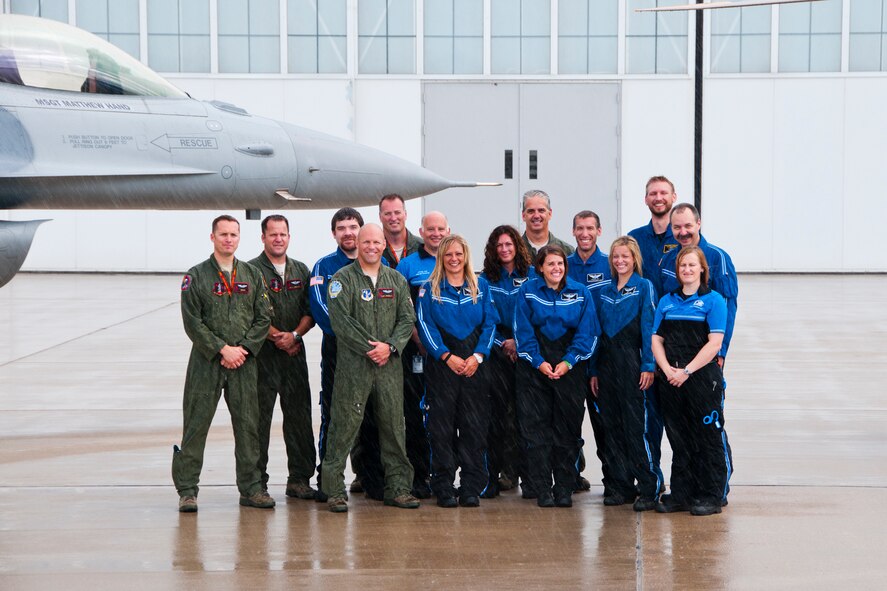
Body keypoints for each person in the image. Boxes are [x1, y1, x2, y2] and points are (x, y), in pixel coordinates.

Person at [172, 215, 275, 513]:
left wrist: (242, 349)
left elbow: (263, 317)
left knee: (248, 427)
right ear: (212, 237)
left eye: (233, 234)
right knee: (196, 425)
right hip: (206, 363)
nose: (228, 239)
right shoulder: (196, 276)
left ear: (240, 238)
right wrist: (221, 349)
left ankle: (252, 488)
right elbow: (192, 321)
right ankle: (187, 490)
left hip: (244, 362)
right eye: (223, 234)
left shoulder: (252, 275)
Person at [321, 224, 420, 513]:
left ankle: (399, 488)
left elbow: (406, 318)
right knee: (344, 426)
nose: (372, 247)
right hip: (355, 367)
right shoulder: (342, 280)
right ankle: (334, 491)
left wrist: (389, 347)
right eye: (367, 242)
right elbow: (341, 322)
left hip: (389, 366)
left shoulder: (396, 279)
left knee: (393, 426)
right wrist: (370, 348)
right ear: (359, 244)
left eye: (377, 242)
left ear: (383, 244)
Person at [514, 245, 600, 508]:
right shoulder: (527, 292)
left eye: (560, 264)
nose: (556, 269)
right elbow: (522, 334)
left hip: (569, 370)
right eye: (550, 264)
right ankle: (542, 489)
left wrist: (569, 361)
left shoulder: (581, 293)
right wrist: (539, 362)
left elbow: (589, 333)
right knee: (536, 432)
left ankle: (564, 487)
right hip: (533, 370)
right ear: (540, 267)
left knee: (567, 431)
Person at [416, 235, 498, 508]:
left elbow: (490, 325)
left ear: (465, 257)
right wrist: (445, 355)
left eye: (458, 255)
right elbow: (425, 326)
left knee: (474, 428)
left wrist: (477, 356)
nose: (454, 259)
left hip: (475, 369)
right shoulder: (430, 289)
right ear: (441, 258)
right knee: (441, 430)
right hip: (442, 369)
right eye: (448, 255)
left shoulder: (481, 286)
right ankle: (443, 487)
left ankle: (471, 487)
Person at [652, 246, 731, 516]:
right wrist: (667, 369)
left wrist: (686, 371)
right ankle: (683, 494)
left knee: (707, 438)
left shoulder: (714, 301)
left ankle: (712, 494)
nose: (687, 269)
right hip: (671, 381)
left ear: (701, 269)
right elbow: (656, 340)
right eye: (682, 265)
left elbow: (715, 344)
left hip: (701, 379)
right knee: (679, 439)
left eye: (692, 265)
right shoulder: (667, 301)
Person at [589, 236, 662, 511]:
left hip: (633, 362)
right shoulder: (604, 291)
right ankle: (621, 486)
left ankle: (648, 486)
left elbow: (649, 329)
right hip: (607, 366)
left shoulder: (644, 287)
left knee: (636, 428)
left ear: (634, 259)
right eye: (616, 257)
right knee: (612, 428)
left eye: (626, 257)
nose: (620, 261)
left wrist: (648, 365)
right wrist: (594, 369)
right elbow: (596, 333)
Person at [308, 208, 376, 500]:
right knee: (335, 414)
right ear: (334, 233)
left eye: (353, 226)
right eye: (342, 227)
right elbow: (322, 311)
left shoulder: (379, 263)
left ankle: (367, 474)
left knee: (371, 414)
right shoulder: (324, 267)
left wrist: (373, 343)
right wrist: (355, 339)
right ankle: (329, 477)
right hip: (338, 351)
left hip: (374, 352)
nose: (348, 232)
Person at [249, 215, 316, 500]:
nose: (278, 239)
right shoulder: (250, 271)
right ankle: (256, 482)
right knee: (258, 420)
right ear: (263, 237)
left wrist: (295, 336)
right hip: (262, 358)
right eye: (273, 234)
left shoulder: (301, 270)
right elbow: (251, 314)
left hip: (295, 356)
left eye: (283, 234)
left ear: (289, 236)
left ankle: (299, 479)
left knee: (300, 419)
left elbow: (310, 311)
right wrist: (279, 337)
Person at [395, 210, 451, 498]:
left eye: (441, 228)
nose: (436, 234)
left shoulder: (457, 261)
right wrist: (418, 338)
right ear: (421, 231)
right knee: (415, 415)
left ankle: (444, 476)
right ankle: (418, 476)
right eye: (430, 229)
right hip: (416, 352)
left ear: (448, 229)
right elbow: (402, 310)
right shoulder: (407, 266)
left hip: (447, 356)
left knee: (445, 418)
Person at [480, 225, 534, 496]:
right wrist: (504, 344)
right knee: (499, 415)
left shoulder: (532, 276)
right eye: (499, 245)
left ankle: (529, 474)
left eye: (509, 244)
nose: (504, 249)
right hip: (498, 352)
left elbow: (535, 316)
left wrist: (520, 343)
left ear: (517, 246)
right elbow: (486, 318)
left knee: (526, 415)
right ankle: (502, 473)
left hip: (527, 353)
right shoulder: (487, 279)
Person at [566, 210, 612, 494]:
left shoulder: (611, 265)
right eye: (580, 229)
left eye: (590, 228)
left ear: (599, 231)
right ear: (572, 232)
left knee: (603, 423)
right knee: (569, 420)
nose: (585, 233)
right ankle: (571, 475)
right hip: (569, 355)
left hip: (601, 355)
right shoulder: (562, 265)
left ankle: (612, 479)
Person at [660, 203, 738, 364]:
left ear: (698, 223)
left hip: (706, 350)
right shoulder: (667, 260)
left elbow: (727, 308)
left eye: (688, 226)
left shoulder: (718, 258)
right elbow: (662, 306)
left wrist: (720, 351)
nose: (683, 232)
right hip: (673, 351)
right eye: (677, 227)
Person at [628, 176, 680, 300]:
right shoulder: (634, 238)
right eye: (653, 194)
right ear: (646, 200)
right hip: (643, 313)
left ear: (674, 197)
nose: (658, 198)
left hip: (674, 311)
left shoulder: (682, 237)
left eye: (663, 193)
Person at [520, 190, 575, 258]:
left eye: (541, 211)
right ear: (523, 215)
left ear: (550, 214)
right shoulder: (514, 250)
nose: (536, 216)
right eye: (531, 211)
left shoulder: (567, 251)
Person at [379, 193, 423, 267]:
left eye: (397, 212)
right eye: (387, 214)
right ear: (380, 217)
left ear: (405, 214)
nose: (393, 218)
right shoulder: (374, 250)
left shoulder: (422, 247)